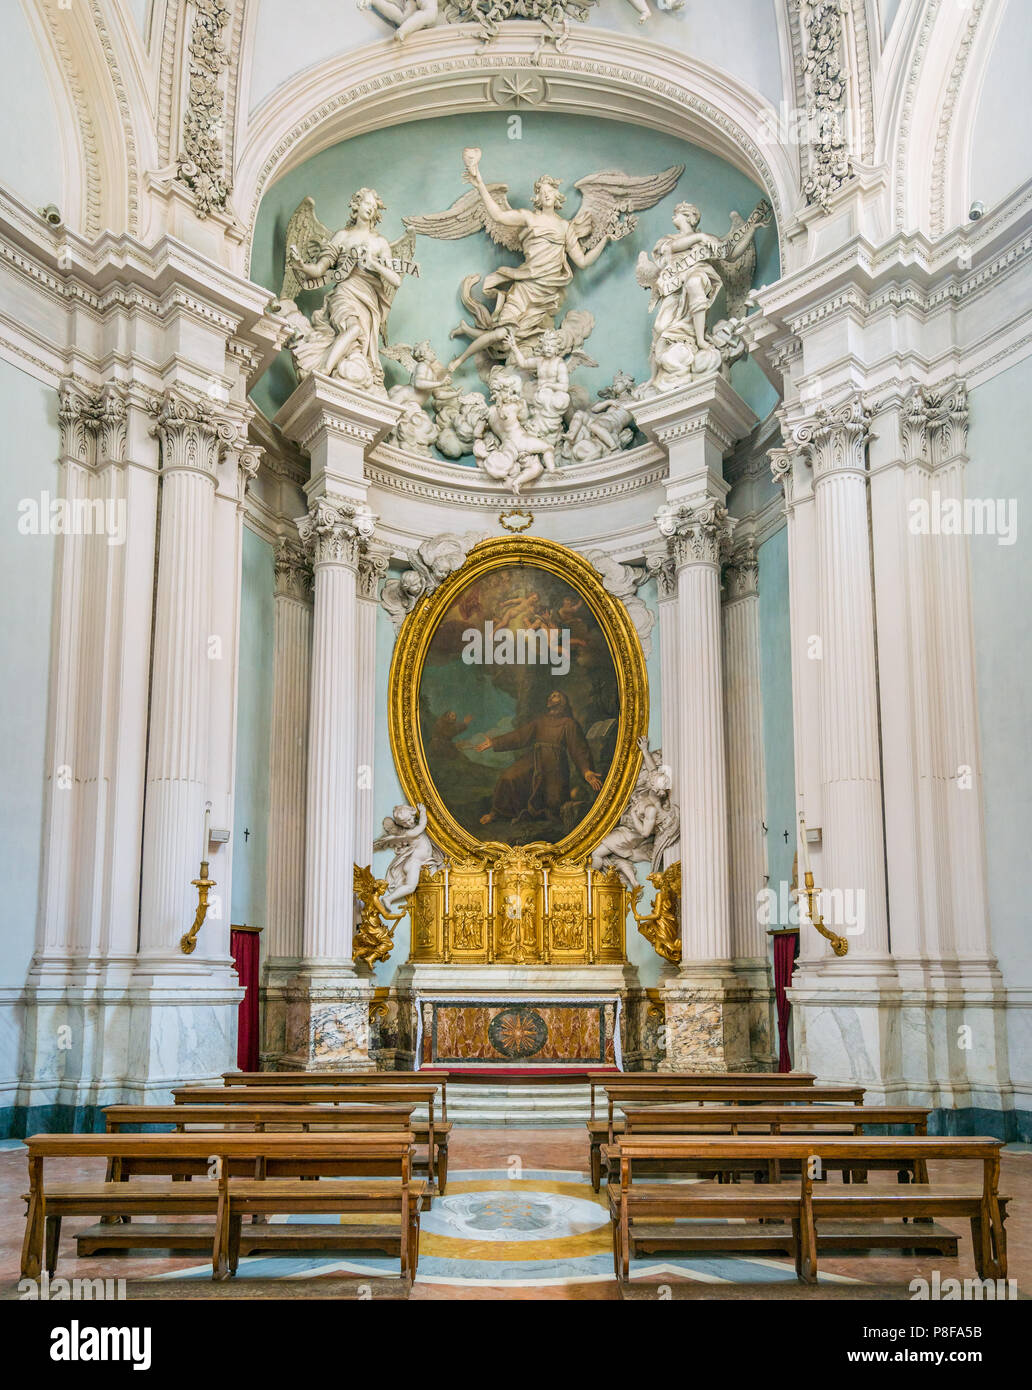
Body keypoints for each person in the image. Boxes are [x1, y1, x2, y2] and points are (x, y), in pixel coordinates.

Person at [475, 690, 602, 824]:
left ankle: (530, 814)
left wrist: (586, 770)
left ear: (563, 701)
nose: (551, 697)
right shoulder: (540, 721)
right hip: (534, 759)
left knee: (553, 804)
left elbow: (578, 748)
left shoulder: (569, 723)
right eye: (550, 695)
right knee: (508, 777)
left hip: (555, 766)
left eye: (555, 695)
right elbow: (519, 736)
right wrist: (494, 742)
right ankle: (496, 813)